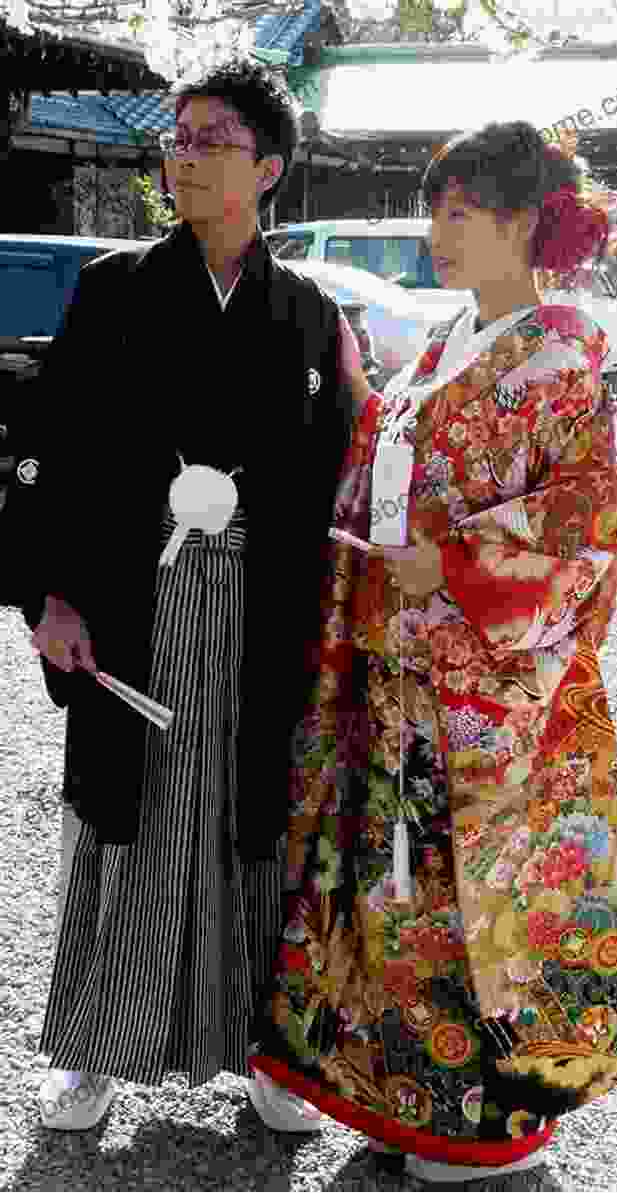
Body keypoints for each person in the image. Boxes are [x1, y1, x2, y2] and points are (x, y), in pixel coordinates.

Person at [248, 121, 617, 1182]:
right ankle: (409, 1095)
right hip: (402, 671)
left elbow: (598, 509)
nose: (438, 231)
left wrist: (465, 560)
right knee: (404, 890)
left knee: (485, 893)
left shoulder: (564, 346)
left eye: (460, 211)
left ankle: (489, 1125)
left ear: (526, 221)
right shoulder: (446, 342)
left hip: (493, 688)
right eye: (437, 208)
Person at [23, 56, 367, 1130]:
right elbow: (45, 450)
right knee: (128, 822)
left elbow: (343, 472)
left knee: (250, 826)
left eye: (211, 137)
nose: (184, 154)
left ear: (266, 169)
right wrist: (46, 595)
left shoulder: (310, 312)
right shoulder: (112, 289)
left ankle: (267, 1050)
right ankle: (91, 1048)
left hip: (262, 610)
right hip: (136, 600)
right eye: (177, 136)